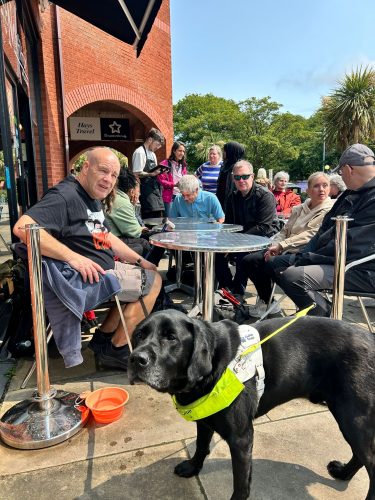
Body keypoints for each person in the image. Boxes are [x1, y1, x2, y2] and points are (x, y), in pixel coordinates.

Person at [13, 147, 162, 370]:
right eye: (103, 171)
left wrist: (140, 261)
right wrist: (73, 258)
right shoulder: (65, 195)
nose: (108, 180)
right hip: (84, 279)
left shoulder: (91, 197)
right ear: (86, 167)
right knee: (154, 282)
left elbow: (106, 236)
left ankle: (103, 340)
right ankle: (118, 349)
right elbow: (22, 227)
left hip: (105, 270)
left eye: (113, 175)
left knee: (148, 272)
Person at [271, 144, 375, 317]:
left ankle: (331, 326)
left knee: (294, 277)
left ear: (349, 169)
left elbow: (351, 246)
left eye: (341, 173)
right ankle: (313, 314)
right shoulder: (350, 194)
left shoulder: (369, 199)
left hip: (360, 269)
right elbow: (323, 230)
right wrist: (303, 256)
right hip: (337, 259)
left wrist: (305, 259)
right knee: (272, 263)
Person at [238, 172, 334, 316]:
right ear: (308, 190)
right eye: (316, 186)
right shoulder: (299, 208)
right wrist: (274, 245)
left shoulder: (330, 209)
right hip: (285, 249)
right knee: (248, 260)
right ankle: (268, 301)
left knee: (270, 264)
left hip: (305, 254)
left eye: (325, 185)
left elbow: (311, 235)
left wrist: (282, 246)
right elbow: (284, 231)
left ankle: (312, 306)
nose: (321, 189)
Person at [215, 160, 278, 296]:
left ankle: (238, 292)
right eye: (237, 177)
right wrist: (224, 242)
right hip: (240, 238)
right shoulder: (233, 196)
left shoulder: (265, 196)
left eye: (245, 176)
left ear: (252, 176)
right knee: (216, 253)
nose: (241, 180)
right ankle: (227, 288)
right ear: (233, 178)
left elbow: (264, 227)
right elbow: (230, 223)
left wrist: (237, 242)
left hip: (264, 239)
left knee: (242, 255)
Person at [106, 168, 164, 264]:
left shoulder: (117, 197)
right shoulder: (122, 202)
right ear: (132, 191)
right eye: (138, 190)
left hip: (115, 236)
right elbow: (133, 232)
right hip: (114, 239)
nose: (139, 193)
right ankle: (150, 270)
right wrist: (143, 229)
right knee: (152, 241)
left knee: (148, 238)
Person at [132, 128, 165, 219]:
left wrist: (160, 171)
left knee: (159, 215)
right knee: (150, 217)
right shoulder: (140, 152)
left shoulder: (153, 154)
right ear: (150, 140)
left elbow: (153, 171)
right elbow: (136, 173)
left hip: (155, 189)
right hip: (145, 191)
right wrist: (151, 174)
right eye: (157, 144)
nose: (157, 148)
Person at [158, 141, 187, 216]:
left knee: (181, 220)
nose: (182, 153)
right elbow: (161, 180)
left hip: (181, 196)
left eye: (183, 151)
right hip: (169, 197)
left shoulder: (183, 165)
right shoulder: (165, 164)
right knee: (170, 220)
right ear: (174, 150)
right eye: (180, 151)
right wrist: (174, 185)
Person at [216, 141, 245, 211]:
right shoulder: (225, 166)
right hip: (222, 201)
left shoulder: (239, 167)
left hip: (235, 203)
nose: (223, 153)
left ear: (231, 152)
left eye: (225, 151)